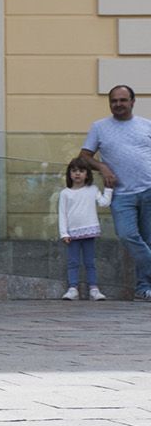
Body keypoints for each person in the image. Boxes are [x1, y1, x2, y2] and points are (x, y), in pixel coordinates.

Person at [77, 85, 151, 302]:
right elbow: (84, 156)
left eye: (123, 100)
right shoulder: (99, 127)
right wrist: (102, 167)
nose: (118, 104)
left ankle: (144, 288)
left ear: (132, 102)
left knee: (148, 239)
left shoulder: (146, 125)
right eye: (114, 101)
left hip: (149, 189)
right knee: (127, 235)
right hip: (120, 195)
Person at [58, 159, 111, 302]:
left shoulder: (92, 189)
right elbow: (62, 214)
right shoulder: (65, 193)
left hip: (89, 232)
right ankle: (72, 289)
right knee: (73, 262)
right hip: (72, 234)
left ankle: (94, 289)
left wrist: (109, 188)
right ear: (69, 174)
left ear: (87, 174)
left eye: (81, 171)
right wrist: (64, 233)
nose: (77, 174)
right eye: (74, 171)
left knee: (90, 262)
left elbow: (104, 203)